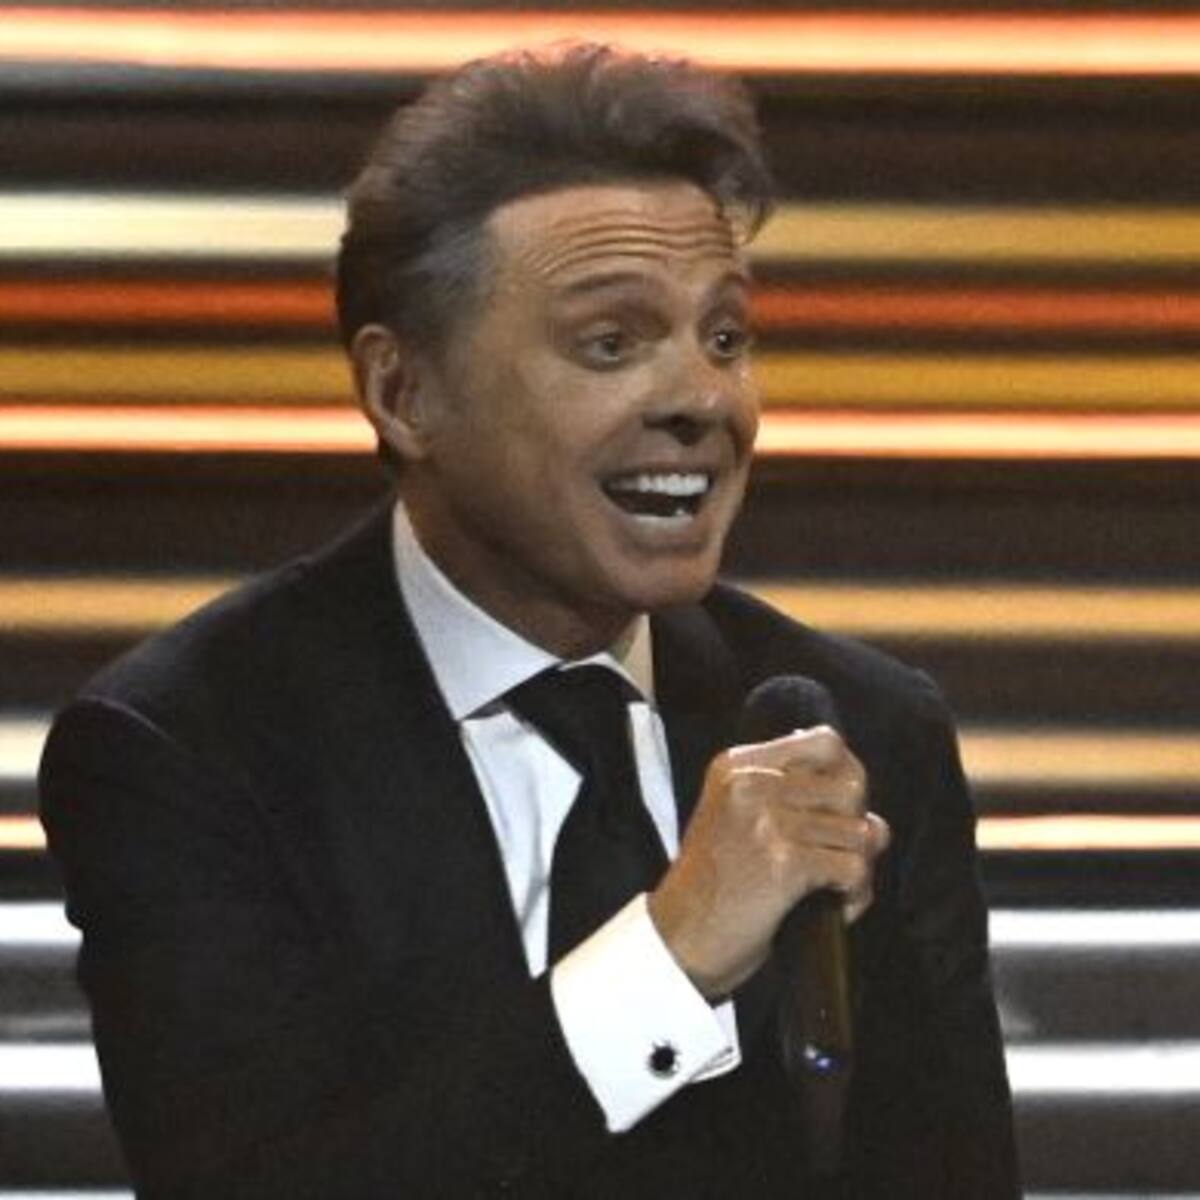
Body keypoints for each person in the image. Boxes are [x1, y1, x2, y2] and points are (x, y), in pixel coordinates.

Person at [39, 43, 1018, 1198]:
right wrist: (670, 956)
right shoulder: (187, 752)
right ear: (405, 393)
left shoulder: (865, 730)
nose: (702, 398)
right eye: (611, 343)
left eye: (725, 337)